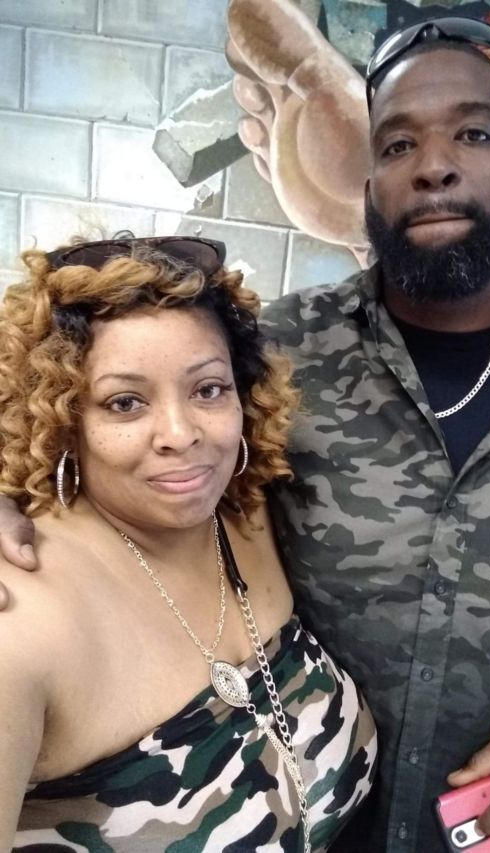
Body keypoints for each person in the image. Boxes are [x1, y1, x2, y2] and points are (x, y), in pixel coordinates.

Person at [1, 15, 490, 853]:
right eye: (398, 144)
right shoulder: (281, 351)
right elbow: (78, 394)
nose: (434, 164)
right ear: (368, 185)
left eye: (473, 133)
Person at [0, 235, 376, 851]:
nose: (180, 434)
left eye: (208, 390)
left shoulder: (248, 514)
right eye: (125, 402)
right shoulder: (20, 618)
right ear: (63, 418)